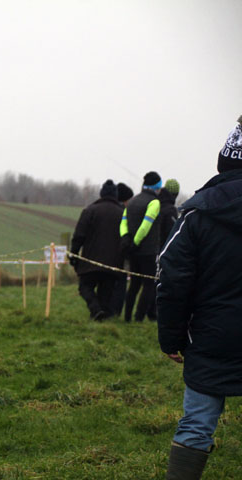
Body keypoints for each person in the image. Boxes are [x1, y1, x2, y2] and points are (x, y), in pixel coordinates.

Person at [158, 115, 242, 479]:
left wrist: (171, 339)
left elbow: (172, 280)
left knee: (197, 425)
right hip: (214, 335)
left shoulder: (196, 213)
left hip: (212, 337)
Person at [69, 180, 124, 320]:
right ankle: (100, 315)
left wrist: (74, 254)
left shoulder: (90, 210)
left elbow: (79, 235)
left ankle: (96, 310)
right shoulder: (123, 213)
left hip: (90, 260)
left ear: (101, 194)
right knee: (105, 292)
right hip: (113, 262)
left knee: (85, 287)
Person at [119, 171, 162, 322]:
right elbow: (146, 225)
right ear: (157, 187)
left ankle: (127, 317)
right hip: (147, 250)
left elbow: (123, 222)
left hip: (132, 251)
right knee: (148, 285)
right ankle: (139, 318)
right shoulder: (154, 202)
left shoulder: (132, 201)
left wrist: (126, 239)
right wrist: (136, 242)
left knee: (134, 285)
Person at [146, 178, 180, 320]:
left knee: (152, 281)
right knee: (160, 281)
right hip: (163, 250)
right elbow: (173, 233)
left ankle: (148, 310)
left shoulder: (157, 204)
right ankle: (153, 312)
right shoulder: (171, 210)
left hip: (153, 247)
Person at [109, 182, 134, 316]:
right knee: (120, 284)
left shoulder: (111, 211)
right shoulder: (124, 213)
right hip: (121, 254)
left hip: (108, 254)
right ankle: (116, 311)